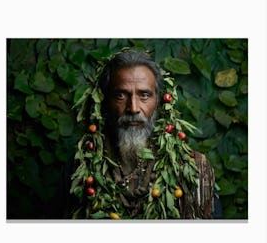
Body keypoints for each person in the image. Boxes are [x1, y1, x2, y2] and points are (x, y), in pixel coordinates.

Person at [68, 50, 222, 219]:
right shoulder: (81, 166)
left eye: (144, 95)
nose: (133, 108)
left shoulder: (194, 169)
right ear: (104, 102)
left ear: (160, 101)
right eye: (120, 95)